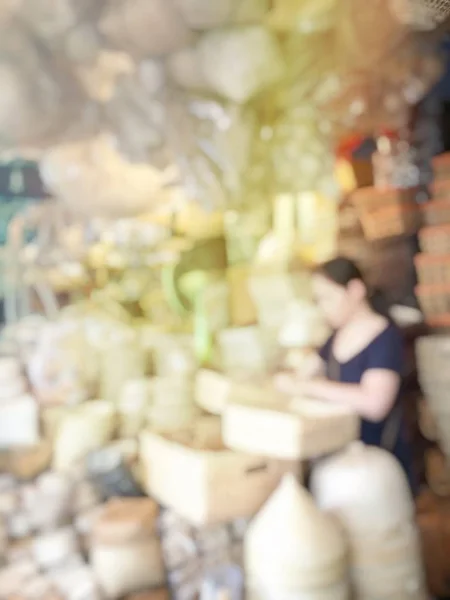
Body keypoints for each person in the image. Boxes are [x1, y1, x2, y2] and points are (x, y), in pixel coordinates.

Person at [274, 256, 416, 493]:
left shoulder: (385, 338)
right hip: (336, 458)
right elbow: (302, 374)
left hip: (376, 466)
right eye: (318, 301)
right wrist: (290, 379)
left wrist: (312, 387)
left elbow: (375, 403)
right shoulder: (334, 339)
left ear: (355, 290)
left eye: (328, 298)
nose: (323, 307)